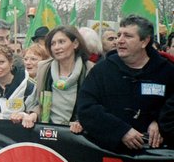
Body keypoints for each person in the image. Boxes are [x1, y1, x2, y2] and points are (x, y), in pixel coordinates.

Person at [78, 15, 174, 151]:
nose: (120, 41)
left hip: (156, 159)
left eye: (128, 36)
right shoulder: (102, 70)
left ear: (144, 41)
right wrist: (120, 131)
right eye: (119, 35)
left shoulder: (167, 71)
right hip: (109, 157)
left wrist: (159, 122)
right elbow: (86, 108)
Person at [32, 26, 94, 133]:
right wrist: (32, 114)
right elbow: (37, 103)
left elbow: (96, 106)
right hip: (48, 132)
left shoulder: (90, 70)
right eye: (53, 44)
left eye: (61, 42)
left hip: (77, 135)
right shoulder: (44, 68)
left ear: (75, 44)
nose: (56, 47)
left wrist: (83, 121)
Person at [0, 44, 38, 128]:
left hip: (21, 136)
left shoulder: (28, 86)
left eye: (1, 62)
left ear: (11, 62)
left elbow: (36, 112)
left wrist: (23, 115)